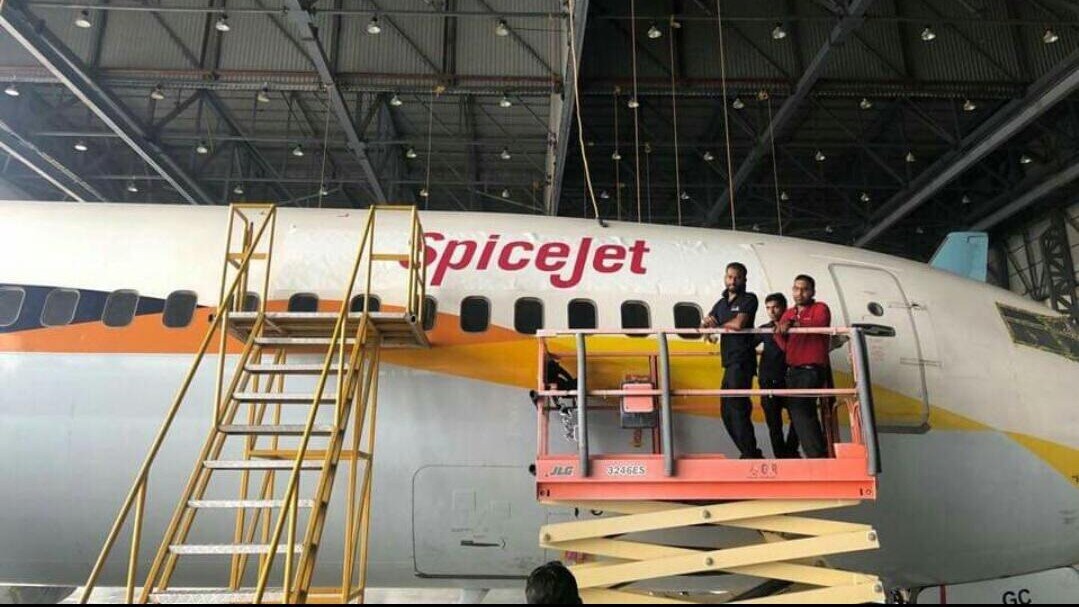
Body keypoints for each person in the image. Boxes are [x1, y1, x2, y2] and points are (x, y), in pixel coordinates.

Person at [702, 262, 763, 459]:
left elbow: (739, 323)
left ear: (744, 279)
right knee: (726, 411)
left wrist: (717, 326)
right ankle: (748, 452)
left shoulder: (749, 299)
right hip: (729, 362)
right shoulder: (721, 304)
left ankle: (751, 453)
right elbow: (707, 324)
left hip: (742, 360)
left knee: (737, 407)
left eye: (737, 277)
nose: (733, 281)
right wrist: (707, 325)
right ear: (725, 278)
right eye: (729, 277)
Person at [774, 275, 830, 459]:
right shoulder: (788, 313)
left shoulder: (820, 308)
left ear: (812, 291)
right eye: (796, 289)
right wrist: (782, 331)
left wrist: (794, 324)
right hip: (793, 370)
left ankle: (817, 455)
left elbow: (820, 323)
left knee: (801, 408)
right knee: (799, 410)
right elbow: (781, 340)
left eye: (805, 289)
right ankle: (801, 451)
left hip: (811, 369)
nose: (800, 293)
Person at [756, 293, 799, 459]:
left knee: (799, 417)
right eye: (768, 308)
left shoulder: (794, 327)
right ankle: (782, 456)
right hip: (768, 380)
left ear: (784, 308)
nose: (771, 311)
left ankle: (791, 451)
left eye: (775, 307)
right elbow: (747, 343)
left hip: (790, 379)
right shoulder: (764, 329)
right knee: (774, 424)